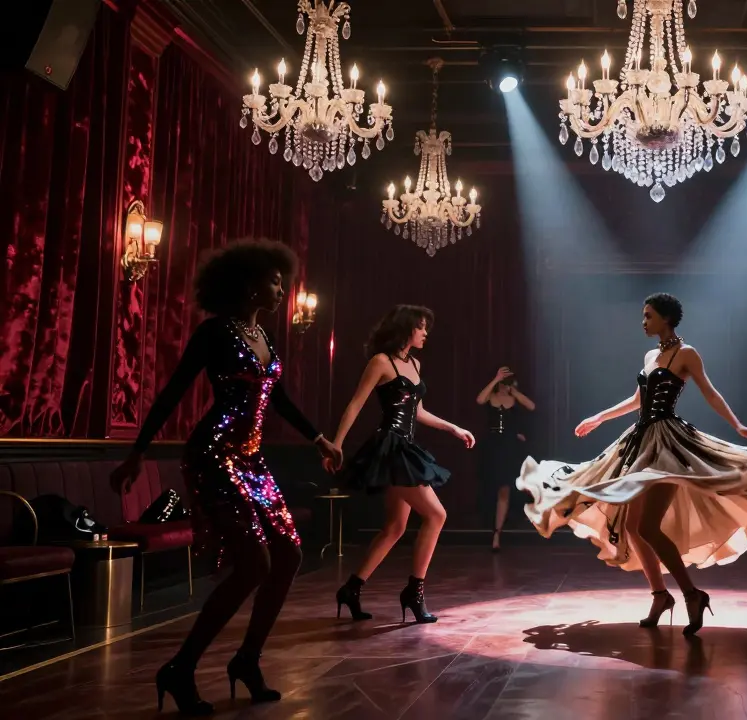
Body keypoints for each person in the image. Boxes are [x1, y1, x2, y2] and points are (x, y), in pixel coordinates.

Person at [109, 239, 342, 716]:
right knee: (254, 564)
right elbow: (174, 390)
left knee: (290, 555)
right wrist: (138, 452)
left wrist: (319, 440)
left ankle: (248, 661)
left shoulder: (266, 339)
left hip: (252, 459)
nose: (282, 289)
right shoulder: (215, 333)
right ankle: (181, 668)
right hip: (213, 455)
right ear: (249, 284)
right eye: (275, 281)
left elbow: (278, 399)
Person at [517, 293, 747, 636]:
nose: (643, 322)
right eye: (643, 316)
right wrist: (600, 417)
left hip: (667, 445)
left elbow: (710, 392)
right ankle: (661, 596)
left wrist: (739, 427)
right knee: (632, 528)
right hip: (640, 441)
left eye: (648, 316)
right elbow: (637, 400)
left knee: (647, 527)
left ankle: (691, 593)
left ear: (666, 319)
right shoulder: (650, 354)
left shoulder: (686, 354)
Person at [332, 305, 475, 624]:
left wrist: (453, 428)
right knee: (437, 515)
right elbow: (356, 404)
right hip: (390, 448)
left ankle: (351, 589)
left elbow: (418, 412)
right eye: (421, 327)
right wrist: (336, 444)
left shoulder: (415, 363)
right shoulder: (381, 362)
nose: (426, 333)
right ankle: (414, 592)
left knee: (395, 527)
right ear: (406, 329)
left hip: (405, 448)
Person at [475, 367, 536, 552]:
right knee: (490, 486)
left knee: (505, 488)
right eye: (503, 380)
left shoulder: (514, 397)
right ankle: (490, 527)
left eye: (507, 380)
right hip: (492, 445)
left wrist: (513, 390)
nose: (504, 384)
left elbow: (532, 406)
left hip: (509, 447)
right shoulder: (490, 395)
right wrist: (495, 379)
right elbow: (480, 400)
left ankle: (497, 534)